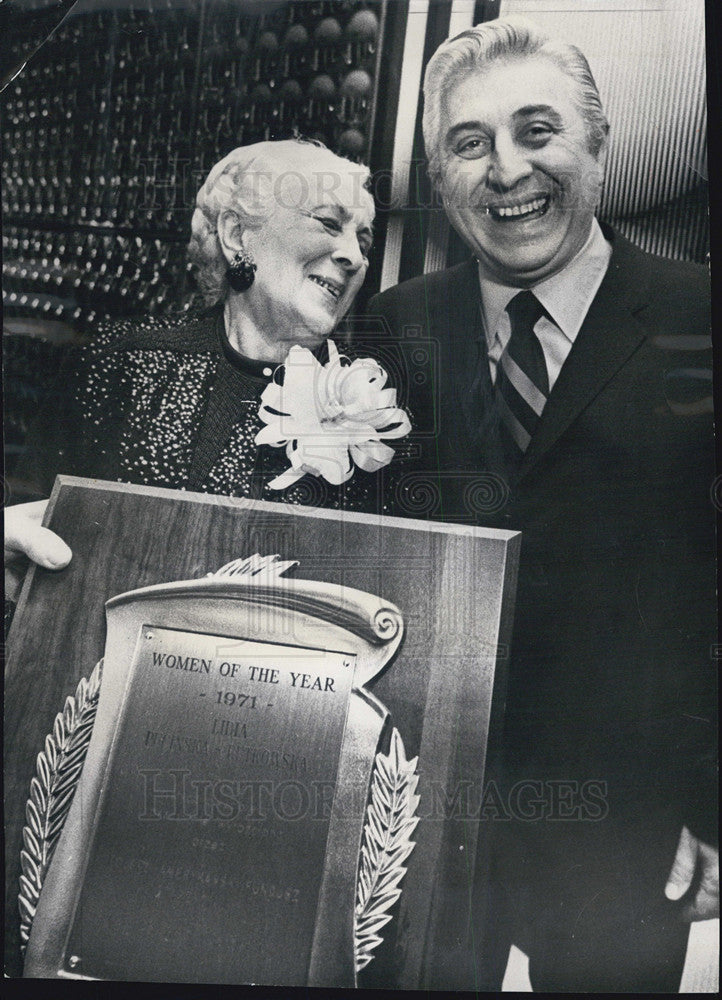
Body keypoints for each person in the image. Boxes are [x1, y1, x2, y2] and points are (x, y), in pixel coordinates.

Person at [368, 17, 717, 991]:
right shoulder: (397, 329)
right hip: (419, 819)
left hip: (627, 824)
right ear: (439, 177)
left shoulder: (700, 319)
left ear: (597, 144)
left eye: (536, 130)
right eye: (467, 142)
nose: (505, 168)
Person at [5, 138, 410, 599]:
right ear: (237, 235)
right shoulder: (126, 359)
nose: (354, 258)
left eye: (363, 241)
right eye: (328, 223)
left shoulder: (372, 403)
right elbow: (27, 526)